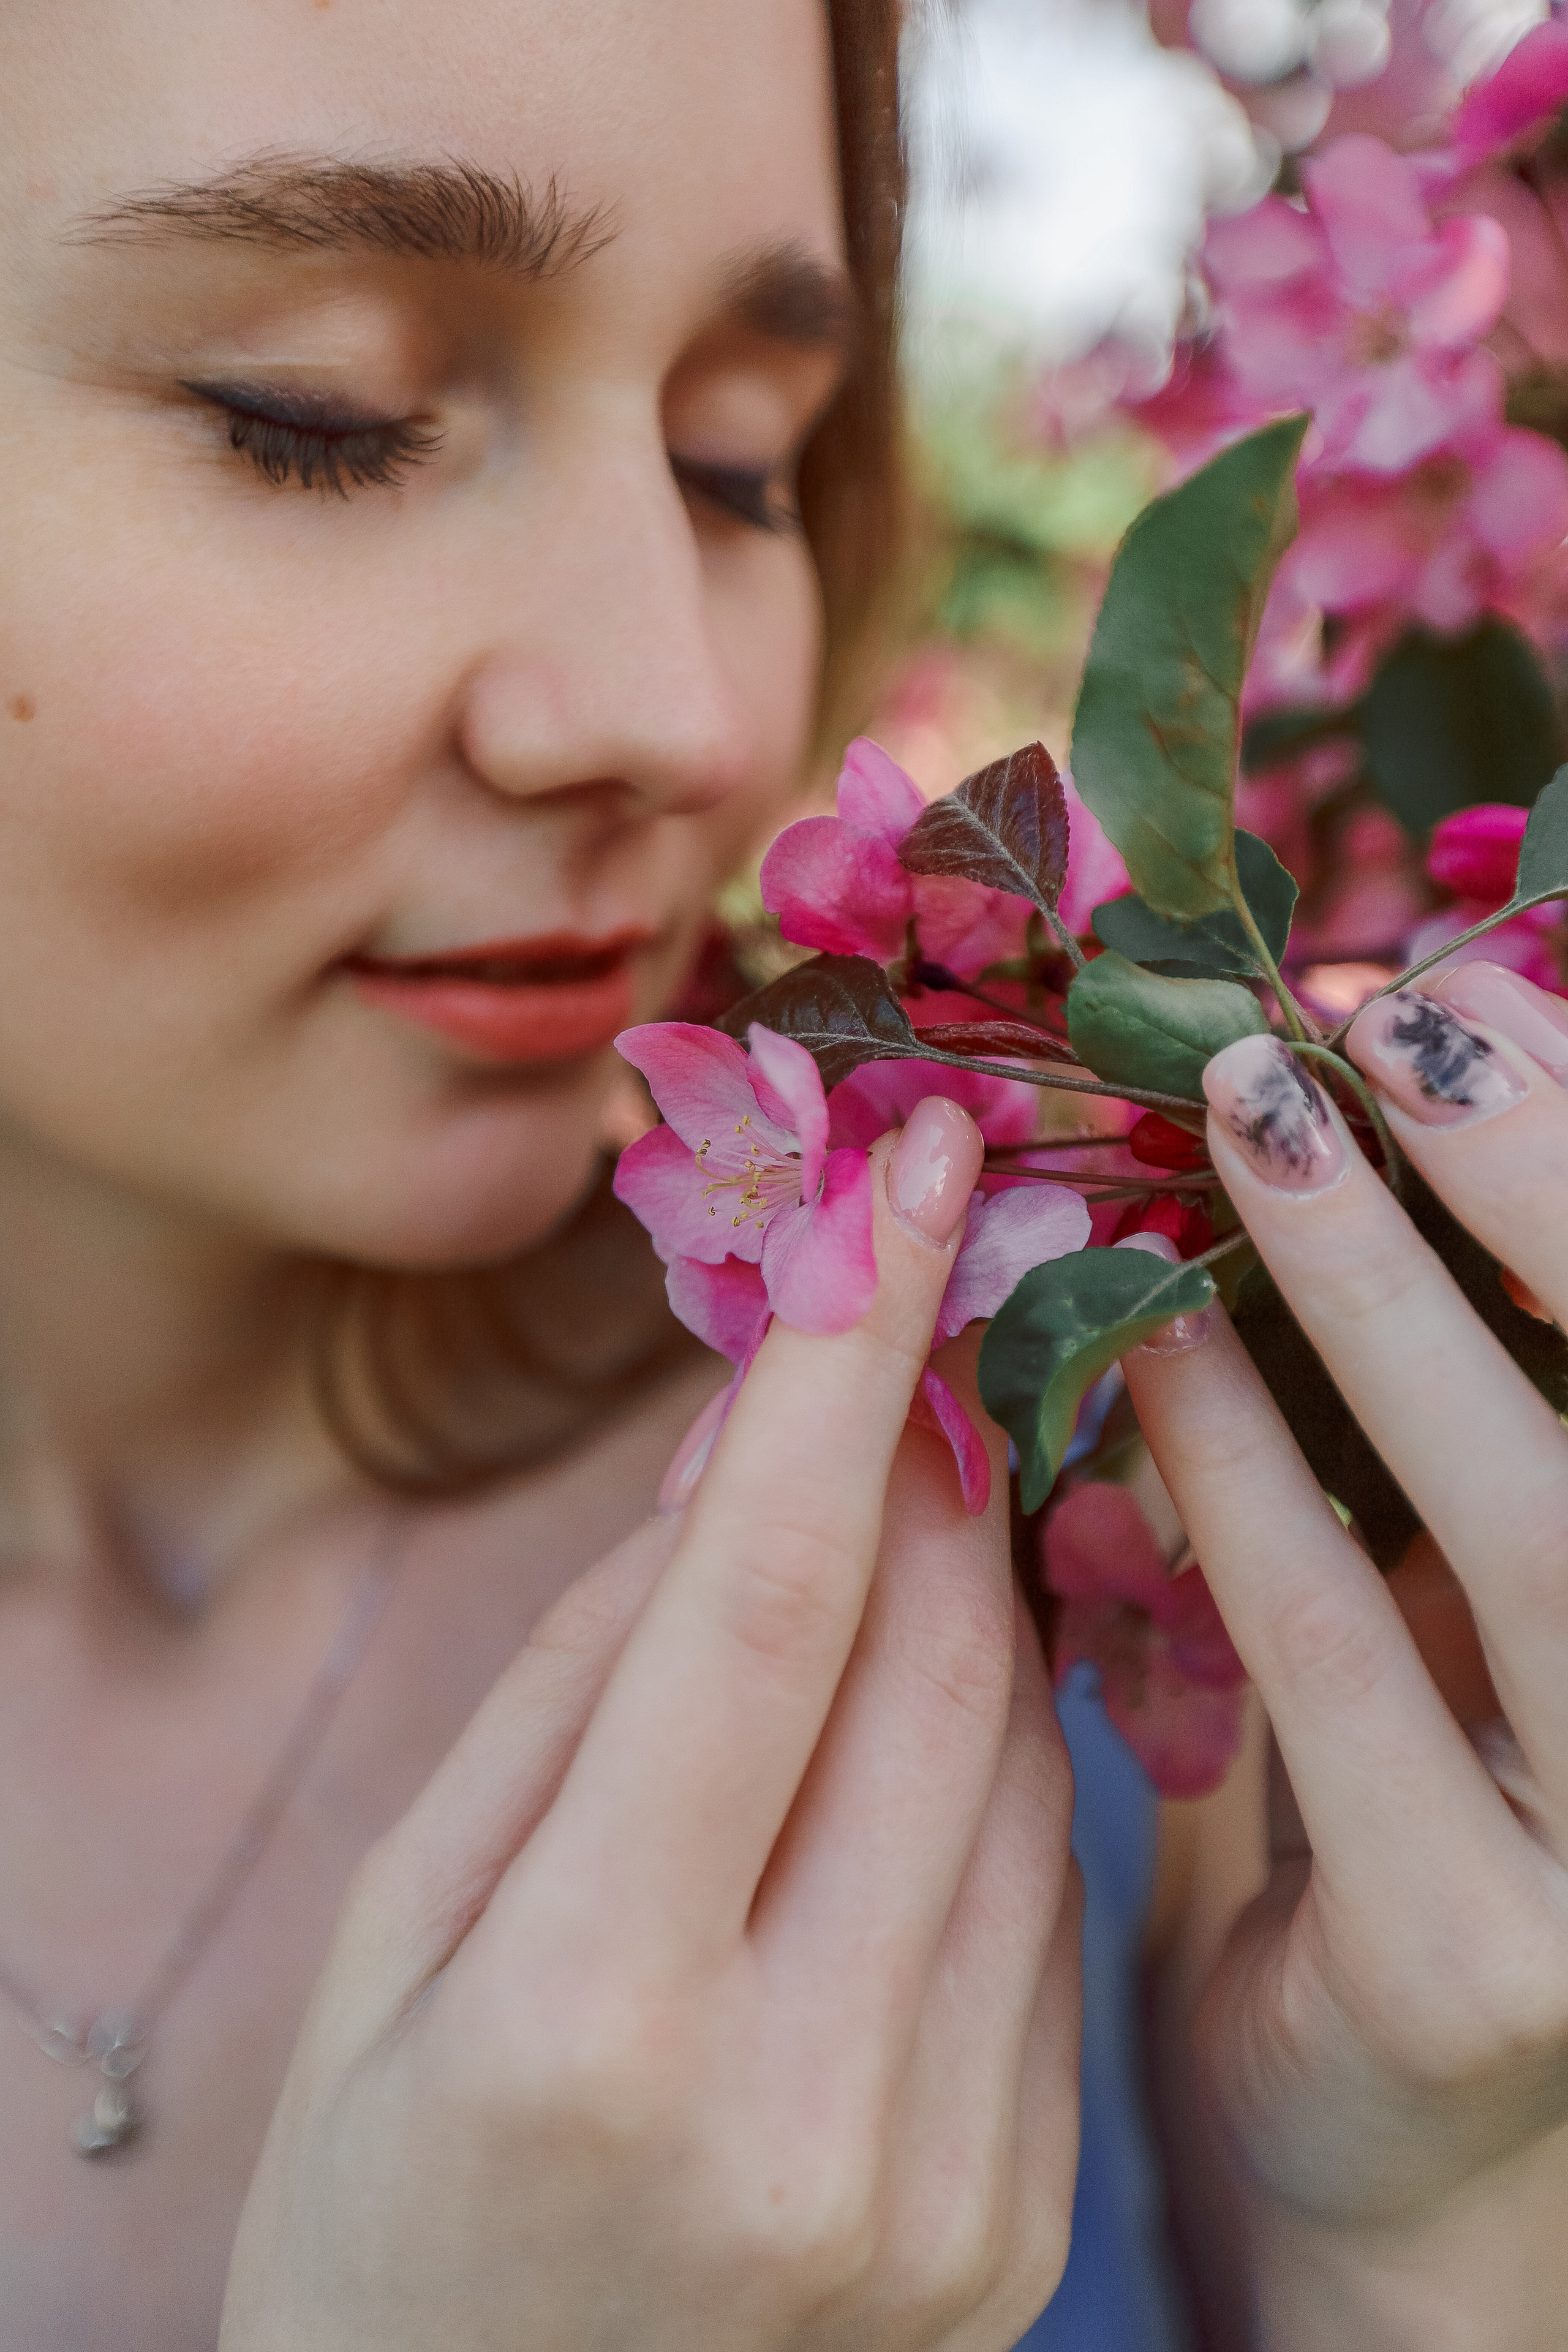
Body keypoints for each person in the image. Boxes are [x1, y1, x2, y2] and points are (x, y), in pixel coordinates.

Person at [3, 6, 1567, 2350]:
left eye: (740, 466)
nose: (690, 714)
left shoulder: (1087, 1528)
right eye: (312, 420)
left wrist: (1421, 2234)